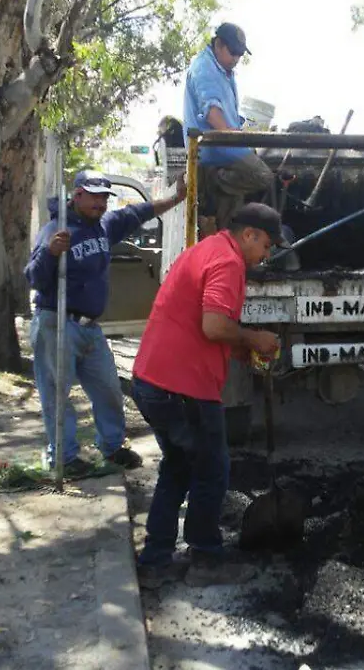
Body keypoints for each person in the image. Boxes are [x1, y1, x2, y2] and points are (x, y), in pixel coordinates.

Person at [131, 202, 285, 588]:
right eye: (266, 245)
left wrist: (243, 351)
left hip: (156, 381)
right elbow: (215, 325)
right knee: (211, 471)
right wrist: (256, 337)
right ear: (248, 234)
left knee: (179, 467)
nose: (266, 256)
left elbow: (203, 328)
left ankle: (155, 561)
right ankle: (205, 559)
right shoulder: (229, 263)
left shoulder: (207, 249)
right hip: (183, 389)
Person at [26, 170, 188, 476]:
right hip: (56, 323)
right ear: (77, 195)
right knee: (56, 394)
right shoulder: (55, 231)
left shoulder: (104, 226)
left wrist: (176, 199)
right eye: (94, 196)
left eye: (104, 197)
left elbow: (137, 212)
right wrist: (50, 254)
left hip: (90, 328)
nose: (100, 203)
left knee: (110, 390)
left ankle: (112, 448)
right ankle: (64, 455)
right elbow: (33, 277)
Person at [184, 22, 274, 234]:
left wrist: (243, 130)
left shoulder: (225, 71)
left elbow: (228, 113)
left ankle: (225, 256)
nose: (236, 59)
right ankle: (217, 180)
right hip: (216, 151)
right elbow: (211, 110)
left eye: (240, 54)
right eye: (233, 52)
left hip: (227, 150)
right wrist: (234, 138)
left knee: (228, 221)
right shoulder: (204, 67)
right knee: (263, 175)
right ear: (219, 44)